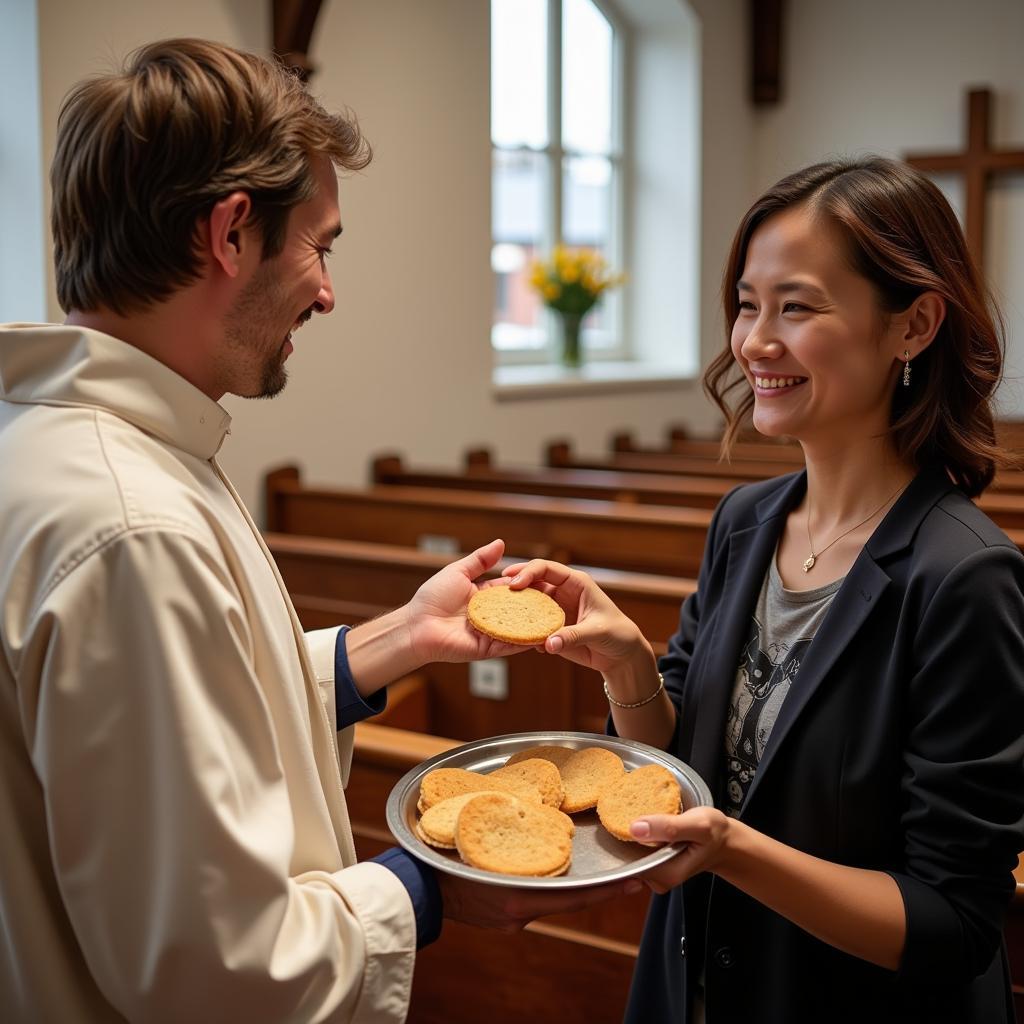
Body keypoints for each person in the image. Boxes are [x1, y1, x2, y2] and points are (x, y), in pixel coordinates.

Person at [0, 38, 638, 1023]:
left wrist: (396, 641)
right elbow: (210, 965)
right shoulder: (131, 526)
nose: (327, 290)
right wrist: (430, 885)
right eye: (321, 244)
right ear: (229, 233)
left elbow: (183, 721)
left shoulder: (61, 451)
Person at [506, 157, 1024, 1023]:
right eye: (749, 303)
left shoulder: (964, 578)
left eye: (798, 305)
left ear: (915, 325)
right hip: (692, 987)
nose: (754, 342)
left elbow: (953, 924)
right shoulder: (745, 521)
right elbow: (677, 770)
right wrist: (629, 667)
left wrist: (731, 852)